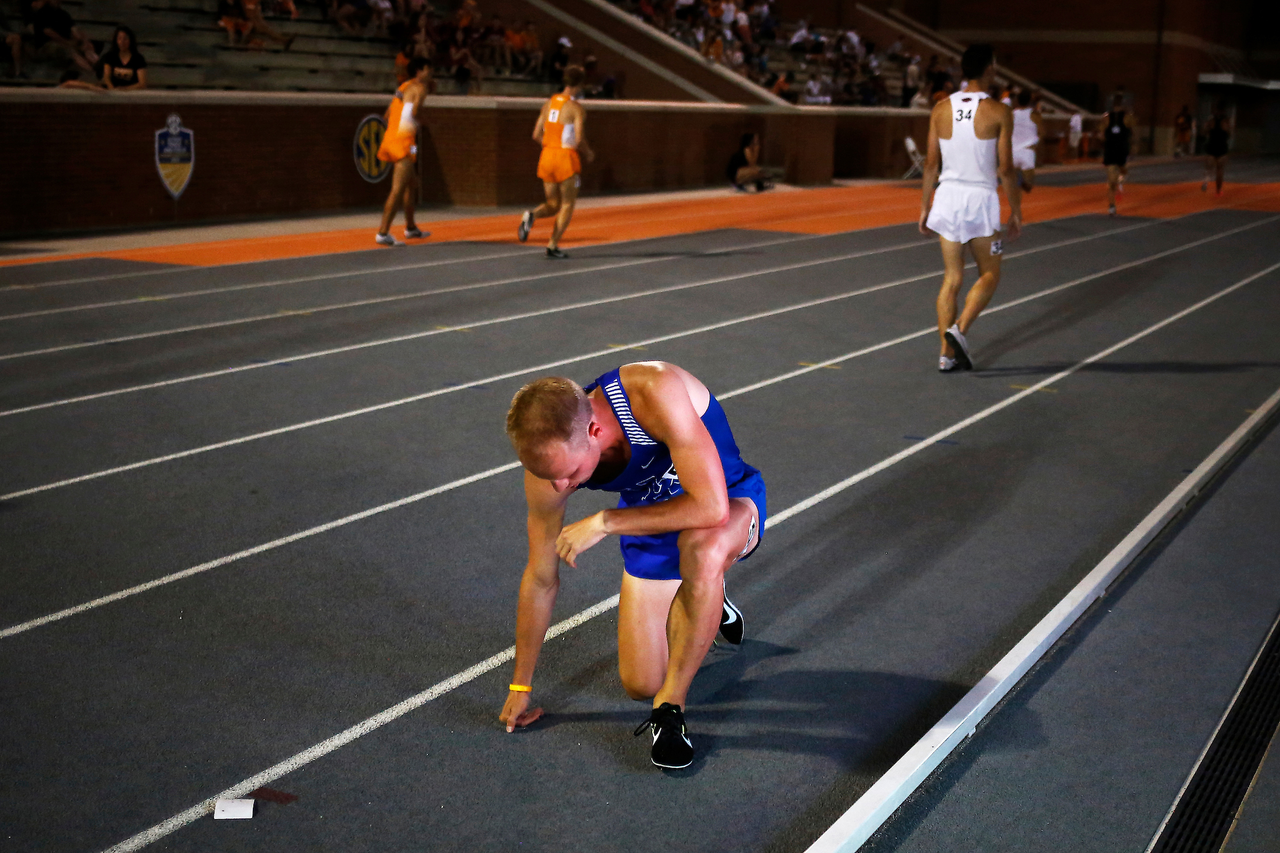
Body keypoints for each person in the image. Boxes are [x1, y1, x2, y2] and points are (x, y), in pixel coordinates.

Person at [499, 362, 766, 769]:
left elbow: (710, 507)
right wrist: (521, 683)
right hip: (654, 520)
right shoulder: (549, 471)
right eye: (548, 477)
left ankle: (670, 710)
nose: (560, 487)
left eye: (569, 474)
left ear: (594, 432)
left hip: (727, 503)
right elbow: (540, 575)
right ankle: (707, 600)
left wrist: (606, 521)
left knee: (704, 549)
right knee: (641, 683)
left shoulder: (653, 390)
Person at [919, 43, 1022, 373]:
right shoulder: (999, 111)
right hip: (980, 200)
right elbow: (1005, 168)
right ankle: (958, 331)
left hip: (947, 198)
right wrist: (1016, 210)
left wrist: (924, 206)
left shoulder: (940, 109)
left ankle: (945, 356)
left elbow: (931, 165)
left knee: (951, 279)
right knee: (990, 274)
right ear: (989, 69)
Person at [517, 64, 595, 259]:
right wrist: (588, 153)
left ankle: (531, 215)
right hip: (565, 158)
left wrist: (551, 144)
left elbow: (536, 134)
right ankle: (552, 245)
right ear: (579, 84)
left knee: (552, 204)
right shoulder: (575, 108)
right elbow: (578, 139)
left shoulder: (548, 103)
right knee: (567, 204)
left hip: (547, 156)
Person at [374, 57, 432, 246]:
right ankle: (383, 232)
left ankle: (411, 227)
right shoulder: (419, 89)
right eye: (428, 69)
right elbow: (409, 116)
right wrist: (422, 122)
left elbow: (388, 114)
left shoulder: (404, 86)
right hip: (404, 140)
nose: (431, 73)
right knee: (398, 189)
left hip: (395, 138)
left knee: (412, 183)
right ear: (420, 71)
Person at [1102, 92, 1135, 215]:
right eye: (1116, 104)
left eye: (1119, 104)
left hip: (1122, 150)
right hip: (1110, 151)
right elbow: (1102, 133)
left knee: (1123, 171)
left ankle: (1121, 179)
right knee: (1111, 181)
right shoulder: (1106, 118)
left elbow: (1132, 132)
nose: (1117, 107)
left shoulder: (1127, 117)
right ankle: (1111, 206)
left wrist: (1133, 147)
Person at [1010, 89, 1041, 192]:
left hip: (1013, 151)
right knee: (1029, 187)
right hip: (1028, 151)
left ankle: (1018, 181)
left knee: (1014, 188)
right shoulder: (1034, 115)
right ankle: (1022, 182)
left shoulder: (1011, 114)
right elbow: (1042, 132)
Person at [100, 25, 147, 89]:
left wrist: (125, 89)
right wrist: (112, 89)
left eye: (125, 39)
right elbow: (106, 78)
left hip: (131, 94)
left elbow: (142, 83)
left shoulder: (138, 59)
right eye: (119, 38)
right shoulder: (110, 56)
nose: (122, 42)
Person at [1203, 110, 1230, 195]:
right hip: (1222, 146)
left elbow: (1204, 132)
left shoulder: (1211, 121)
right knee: (1220, 170)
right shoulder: (1225, 122)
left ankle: (1206, 180)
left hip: (1212, 145)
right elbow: (1229, 133)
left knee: (1209, 167)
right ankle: (1218, 190)